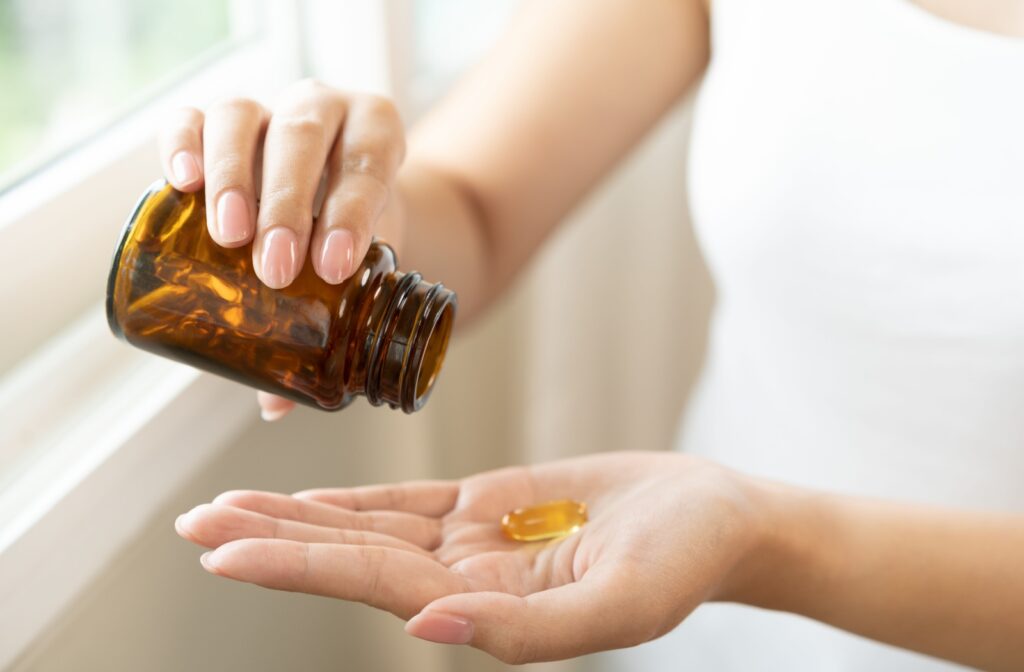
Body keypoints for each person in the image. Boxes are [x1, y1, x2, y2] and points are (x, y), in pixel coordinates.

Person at [169, 0, 1024, 668]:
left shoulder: (745, 538)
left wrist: (766, 541)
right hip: (704, 645)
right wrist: (350, 213)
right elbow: (477, 206)